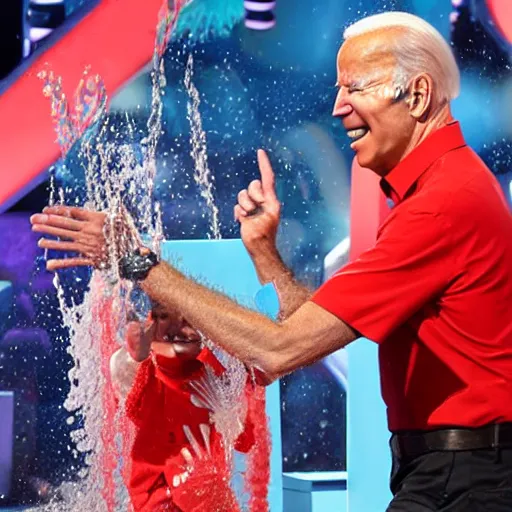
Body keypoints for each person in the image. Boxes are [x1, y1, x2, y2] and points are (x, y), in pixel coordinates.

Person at [31, 11, 512, 511]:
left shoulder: (441, 205)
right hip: (451, 472)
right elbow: (313, 330)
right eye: (337, 87)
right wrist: (265, 253)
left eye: (355, 88)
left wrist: (137, 262)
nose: (337, 106)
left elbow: (280, 350)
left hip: (465, 480)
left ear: (415, 94)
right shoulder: (438, 192)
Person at [110, 301, 256, 512]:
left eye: (188, 320)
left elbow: (244, 439)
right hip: (159, 499)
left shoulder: (212, 372)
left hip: (208, 496)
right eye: (164, 317)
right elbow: (132, 404)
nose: (176, 329)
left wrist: (251, 380)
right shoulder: (148, 370)